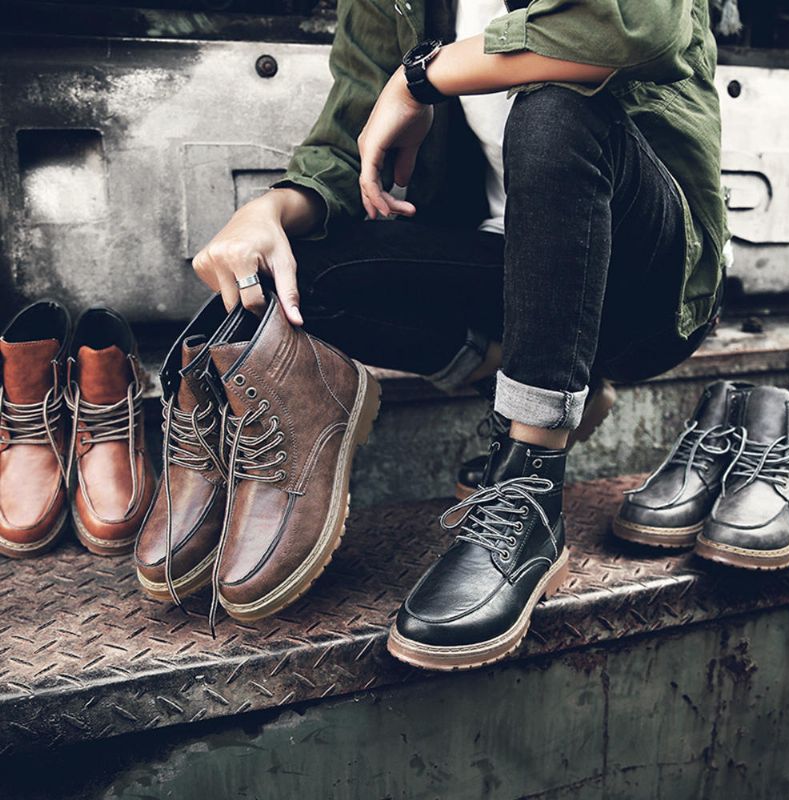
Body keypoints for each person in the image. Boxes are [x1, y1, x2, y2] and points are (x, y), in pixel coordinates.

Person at [188, 0, 726, 670]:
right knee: (301, 275)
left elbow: (631, 25)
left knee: (557, 102)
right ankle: (542, 381)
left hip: (643, 290)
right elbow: (347, 144)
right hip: (515, 280)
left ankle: (528, 486)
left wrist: (419, 77)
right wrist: (265, 210)